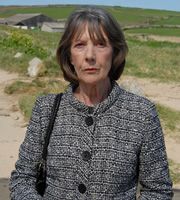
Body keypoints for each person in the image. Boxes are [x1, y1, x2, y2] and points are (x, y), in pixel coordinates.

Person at [10, 7, 173, 199]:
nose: (90, 55)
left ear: (115, 52)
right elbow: (22, 180)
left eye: (100, 44)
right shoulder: (45, 109)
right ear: (69, 56)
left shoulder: (142, 114)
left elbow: (158, 191)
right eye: (79, 45)